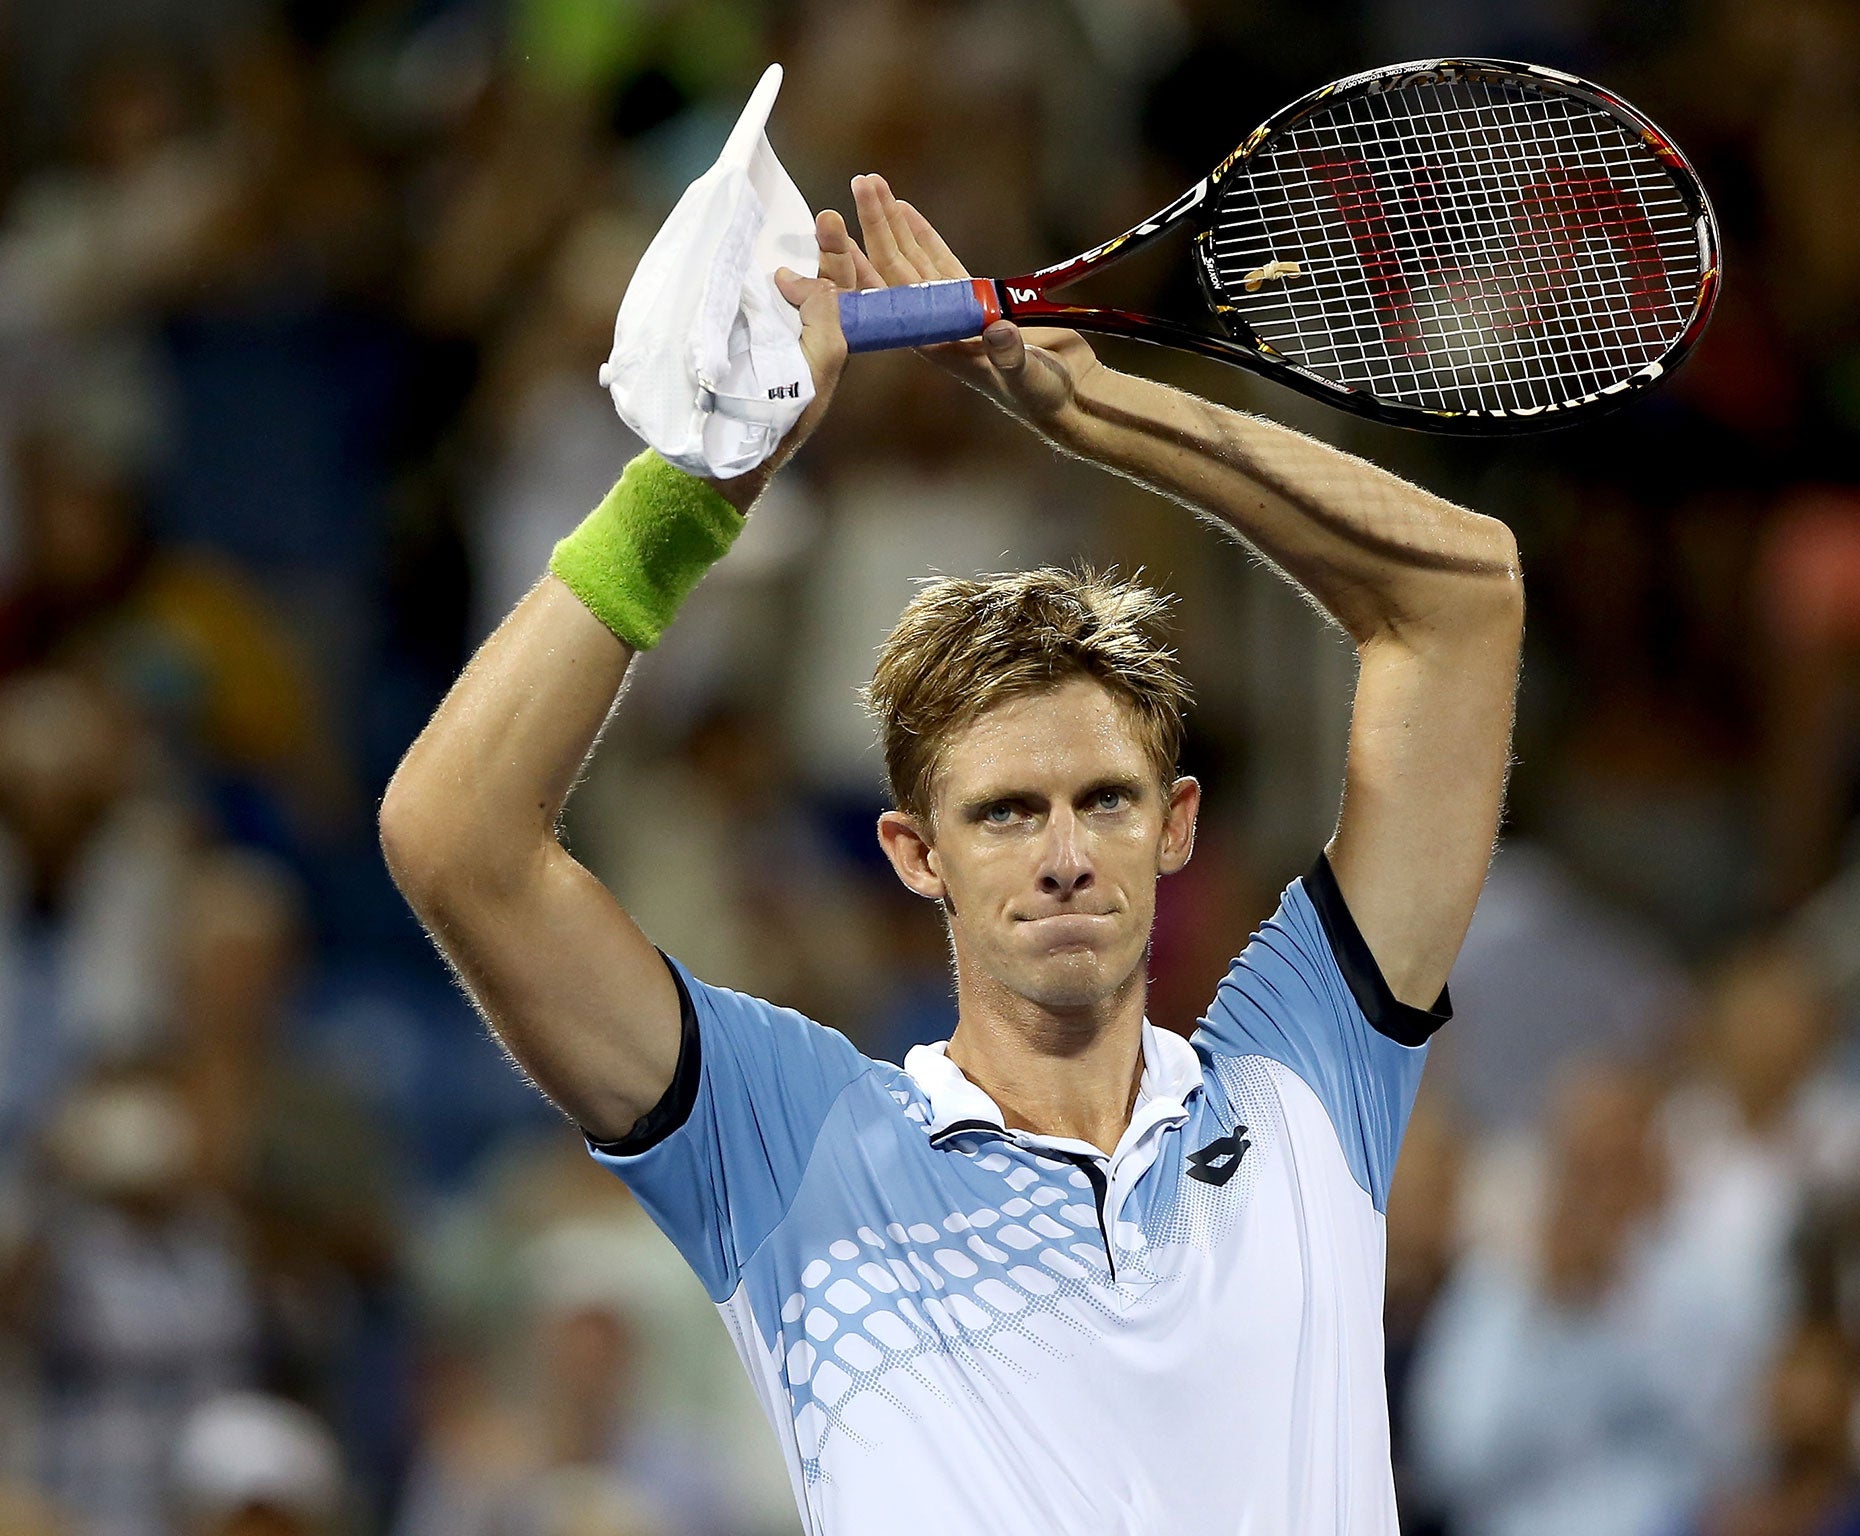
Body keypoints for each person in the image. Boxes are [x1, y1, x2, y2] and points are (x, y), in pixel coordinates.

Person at [380, 176, 1522, 1532]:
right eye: (1003, 813)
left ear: (1177, 829)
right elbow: (454, 838)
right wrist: (706, 481)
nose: (1062, 855)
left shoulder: (1304, 1083)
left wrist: (1087, 408)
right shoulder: (797, 1143)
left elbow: (1462, 597)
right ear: (915, 854)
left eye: (1104, 800)